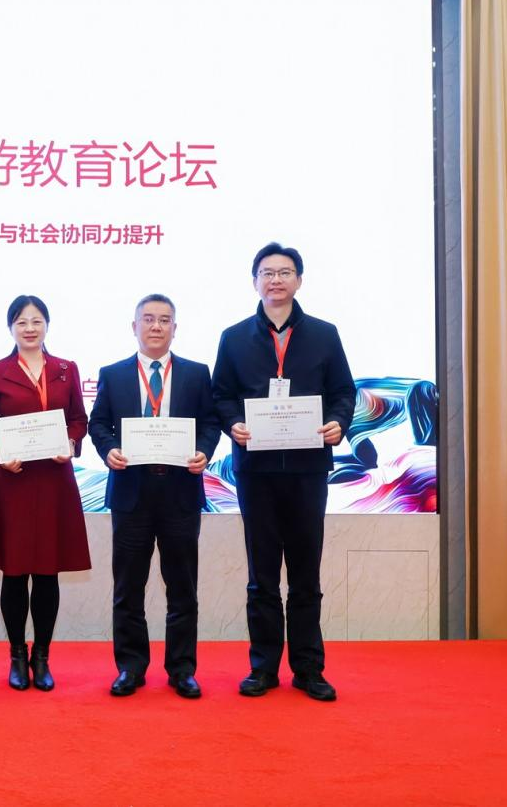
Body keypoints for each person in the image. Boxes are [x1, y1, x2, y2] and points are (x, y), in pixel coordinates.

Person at [211, 243, 356, 702]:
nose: (276, 280)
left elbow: (344, 392)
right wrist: (233, 423)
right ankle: (263, 668)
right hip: (256, 472)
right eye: (267, 273)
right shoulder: (234, 337)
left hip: (308, 471)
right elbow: (221, 395)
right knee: (262, 576)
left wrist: (338, 423)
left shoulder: (325, 335)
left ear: (299, 280)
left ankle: (309, 669)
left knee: (306, 575)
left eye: (285, 272)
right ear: (255, 281)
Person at [88, 294, 221, 699]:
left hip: (180, 494)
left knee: (182, 587)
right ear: (135, 327)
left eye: (164, 320)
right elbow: (98, 424)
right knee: (128, 588)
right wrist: (108, 449)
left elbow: (211, 423)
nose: (156, 326)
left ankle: (182, 669)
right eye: (148, 319)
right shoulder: (113, 374)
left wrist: (204, 450)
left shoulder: (197, 374)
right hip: (131, 495)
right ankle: (130, 667)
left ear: (175, 329)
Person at [0, 295, 91, 691]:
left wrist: (70, 442)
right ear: (11, 328)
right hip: (12, 481)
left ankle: (43, 656)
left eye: (36, 321)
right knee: (14, 570)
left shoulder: (65, 369)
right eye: (21, 322)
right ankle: (17, 656)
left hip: (54, 480)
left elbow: (79, 419)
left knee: (47, 571)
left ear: (47, 326)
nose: (29, 328)